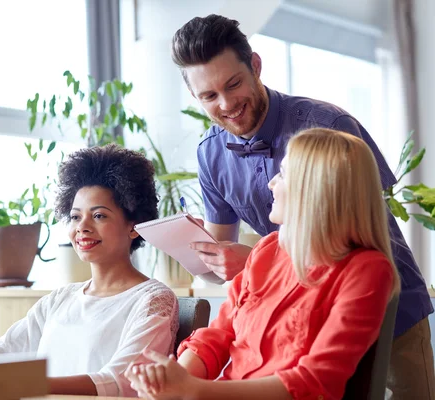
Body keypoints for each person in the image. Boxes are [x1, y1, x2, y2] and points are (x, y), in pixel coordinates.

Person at [170, 14, 434, 398]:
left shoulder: (325, 126)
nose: (226, 104)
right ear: (195, 97)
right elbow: (219, 264)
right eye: (209, 96)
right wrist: (213, 256)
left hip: (388, 312)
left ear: (255, 66)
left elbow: (364, 223)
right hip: (293, 324)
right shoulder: (211, 155)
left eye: (234, 84)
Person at [126, 128, 400, 400]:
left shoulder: (367, 270)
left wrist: (193, 390)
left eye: (282, 174)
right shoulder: (266, 250)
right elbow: (217, 336)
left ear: (313, 190)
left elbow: (315, 380)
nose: (272, 183)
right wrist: (176, 381)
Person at [0, 144, 179, 397]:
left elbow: (121, 382)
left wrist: (31, 384)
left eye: (99, 216)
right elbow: (1, 352)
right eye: (75, 217)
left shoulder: (153, 300)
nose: (83, 227)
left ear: (133, 227)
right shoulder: (59, 299)